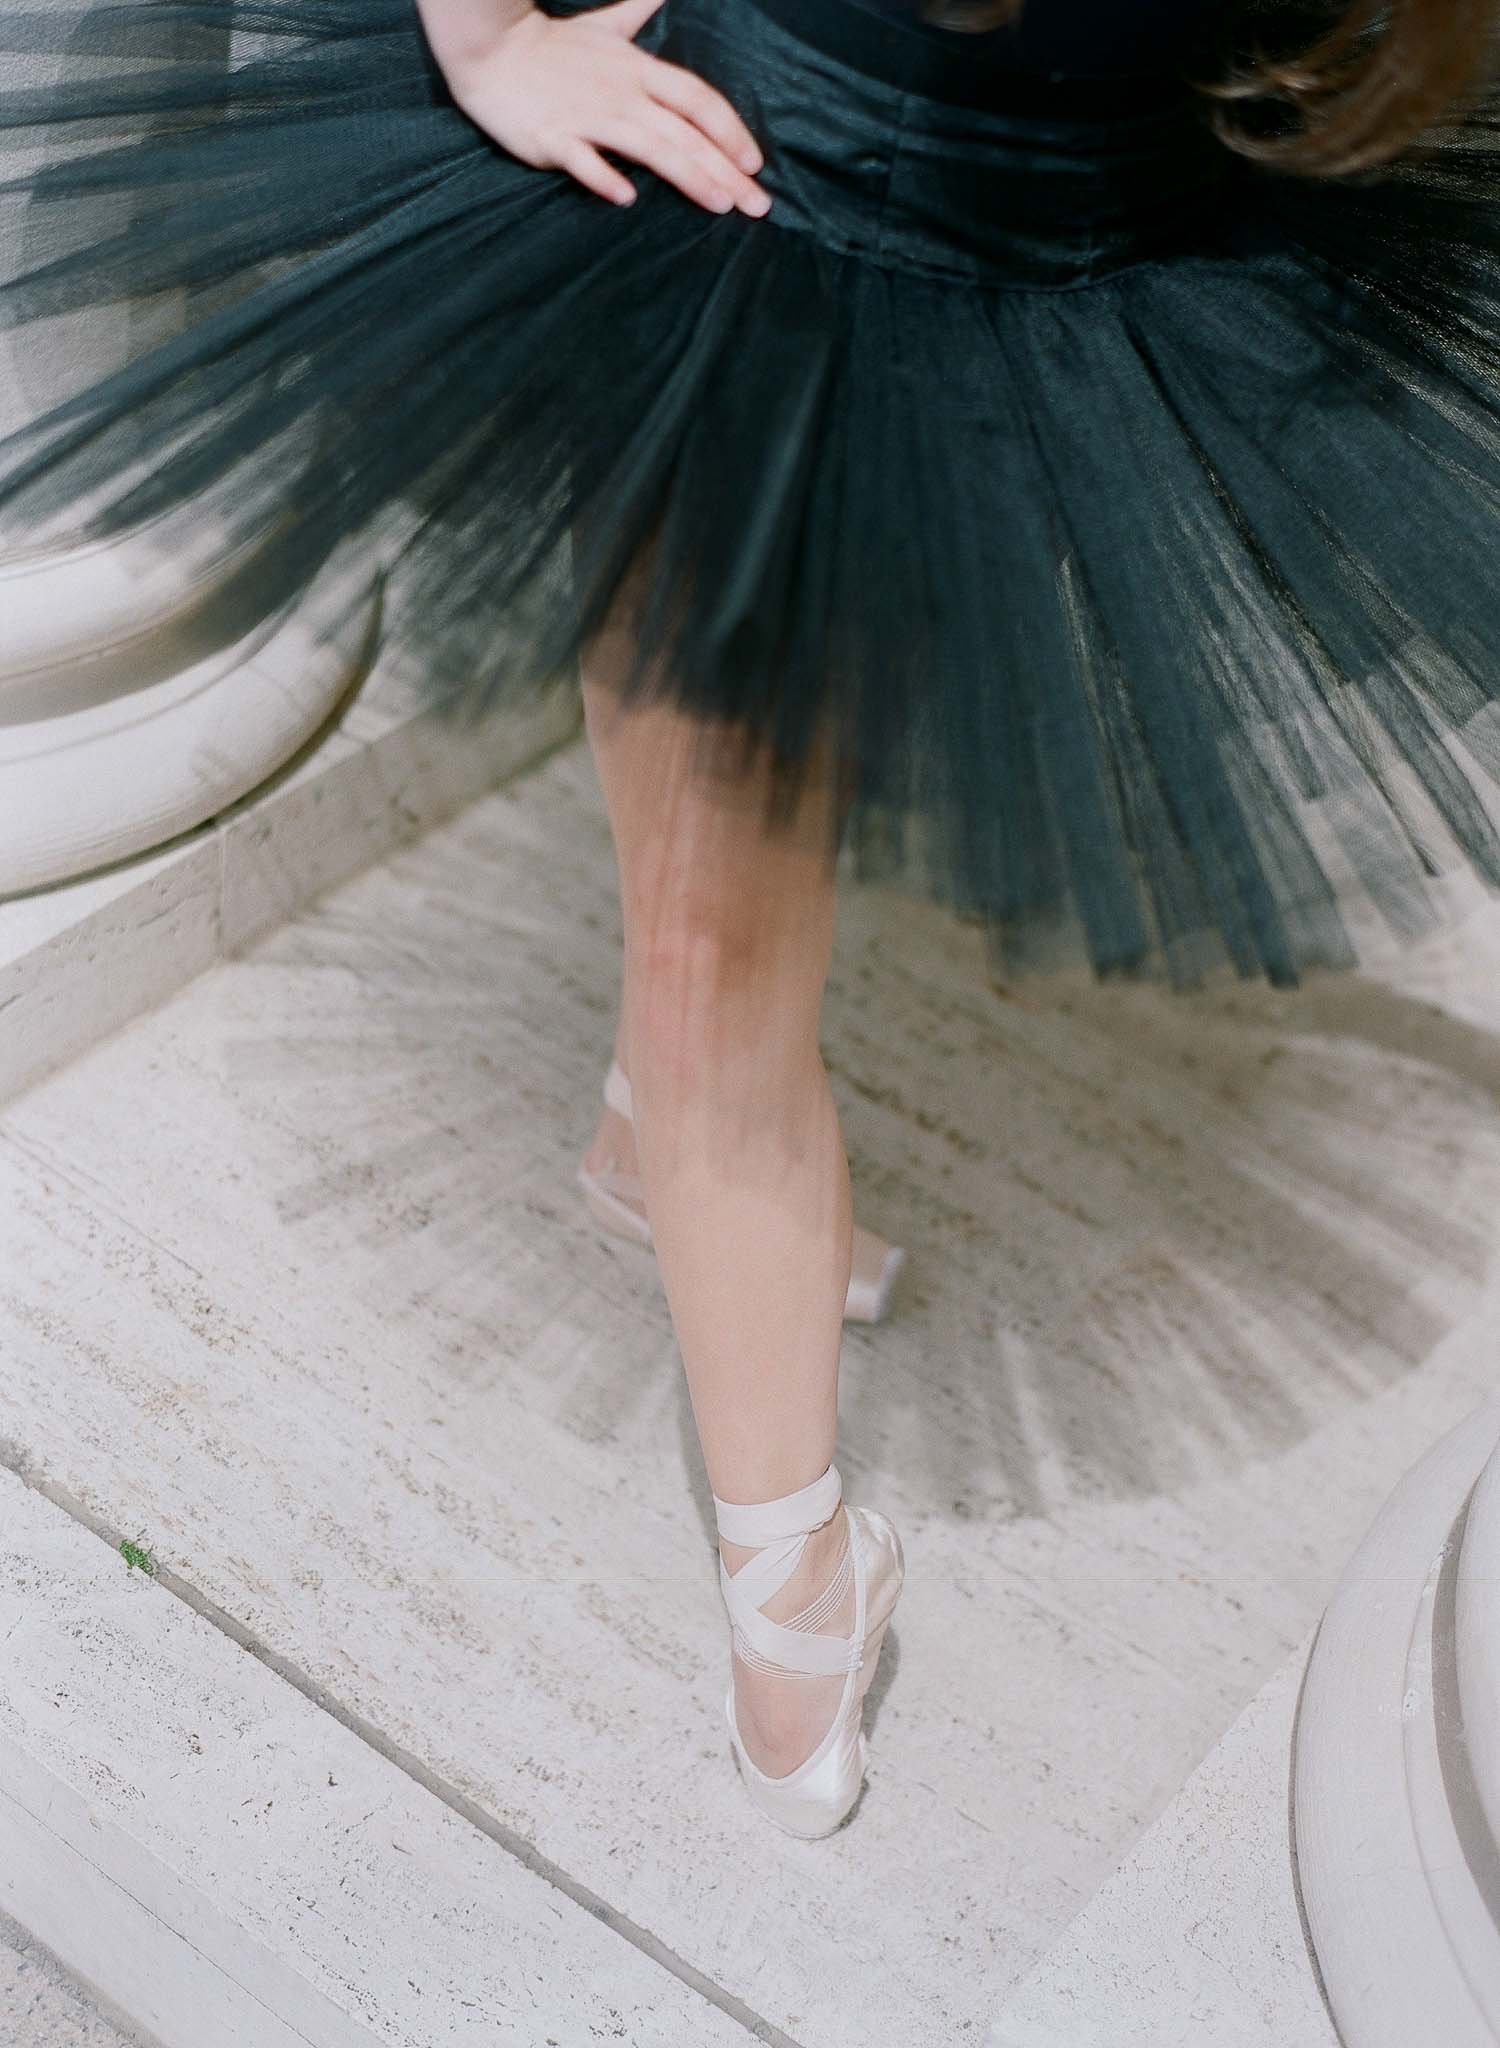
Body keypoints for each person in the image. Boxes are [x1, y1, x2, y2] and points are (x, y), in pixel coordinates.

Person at [4, 0, 1500, 1839]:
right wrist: (485, 40)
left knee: (795, 802)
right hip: (784, 195)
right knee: (714, 952)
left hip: (1102, 209)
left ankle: (658, 1145)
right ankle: (792, 1587)